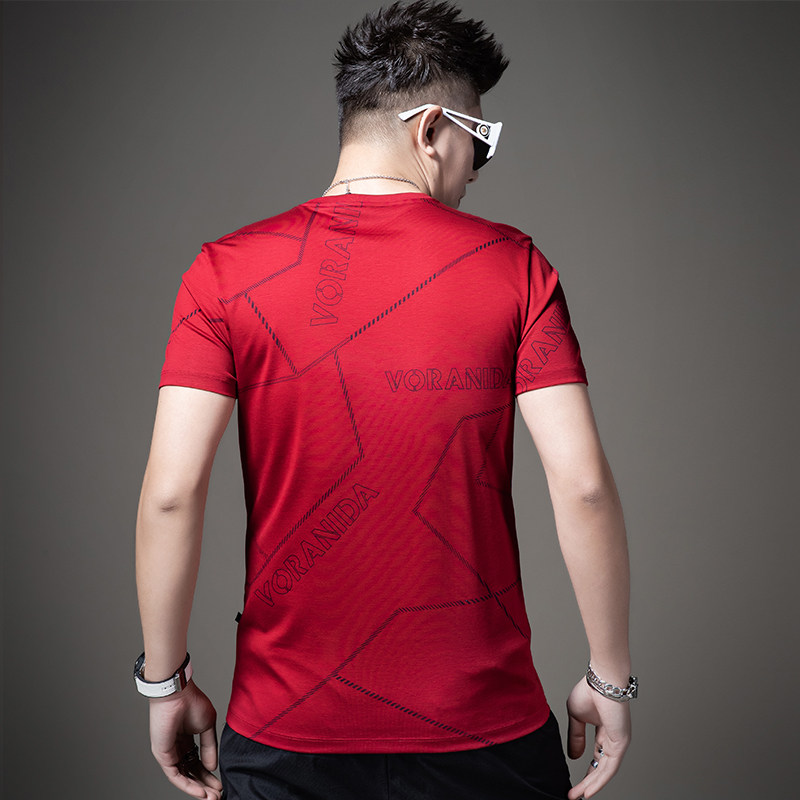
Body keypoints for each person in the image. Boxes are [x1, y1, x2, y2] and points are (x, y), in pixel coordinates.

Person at [134, 2, 635, 799]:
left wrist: (164, 684)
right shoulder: (516, 267)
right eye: (479, 143)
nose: (476, 170)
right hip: (486, 734)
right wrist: (610, 680)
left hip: (286, 734)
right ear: (432, 129)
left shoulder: (222, 273)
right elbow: (583, 487)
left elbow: (170, 495)